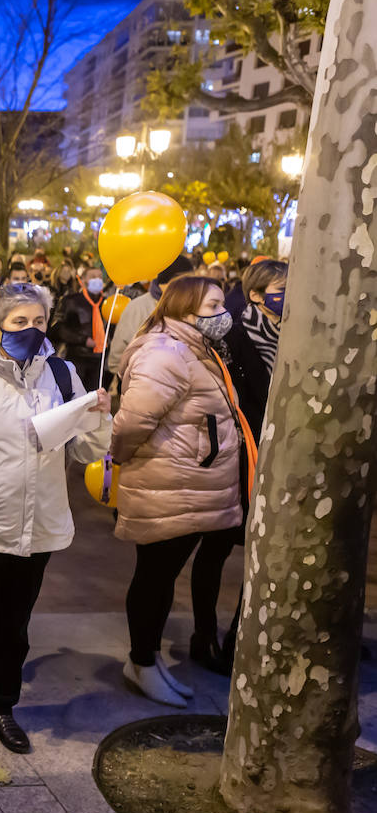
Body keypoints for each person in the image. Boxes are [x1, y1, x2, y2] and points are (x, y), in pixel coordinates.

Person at [0, 284, 110, 755]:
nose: (31, 330)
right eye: (19, 322)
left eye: (38, 321)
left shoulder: (63, 375)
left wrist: (100, 418)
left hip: (39, 528)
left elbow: (87, 451)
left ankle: (3, 708)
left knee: (15, 626)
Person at [112, 276, 254, 707]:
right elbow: (131, 424)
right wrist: (123, 459)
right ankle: (141, 662)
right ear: (185, 309)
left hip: (186, 484)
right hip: (166, 484)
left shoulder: (195, 348)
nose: (222, 313)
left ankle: (149, 659)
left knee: (162, 577)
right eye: (212, 306)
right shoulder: (165, 352)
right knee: (154, 577)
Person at [206, 258, 287, 672]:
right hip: (241, 454)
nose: (287, 296)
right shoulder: (235, 337)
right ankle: (205, 637)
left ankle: (243, 635)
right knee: (217, 546)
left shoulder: (295, 333)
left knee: (264, 547)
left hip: (281, 455)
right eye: (280, 290)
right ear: (255, 295)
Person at [106, 256, 193, 378]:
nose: (193, 287)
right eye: (187, 281)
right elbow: (116, 360)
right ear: (167, 283)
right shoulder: (137, 308)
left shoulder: (195, 308)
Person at [51, 265, 110, 390]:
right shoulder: (70, 301)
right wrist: (83, 340)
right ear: (83, 280)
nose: (97, 280)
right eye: (93, 277)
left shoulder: (107, 303)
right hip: (77, 358)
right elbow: (57, 328)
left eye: (100, 277)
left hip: (99, 360)